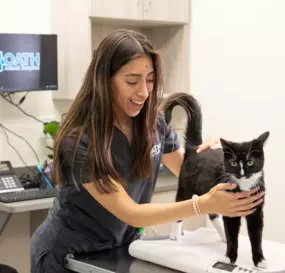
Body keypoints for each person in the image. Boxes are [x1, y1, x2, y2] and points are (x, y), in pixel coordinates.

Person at [30, 29, 264, 273]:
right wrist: (202, 205)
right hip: (68, 254)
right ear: (104, 81)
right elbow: (132, 213)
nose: (144, 92)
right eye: (132, 81)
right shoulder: (79, 140)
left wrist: (217, 160)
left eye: (150, 80)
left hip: (120, 249)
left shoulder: (153, 123)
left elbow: (186, 171)